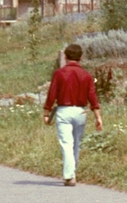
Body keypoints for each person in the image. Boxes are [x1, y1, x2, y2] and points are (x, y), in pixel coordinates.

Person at [43, 43, 102, 186]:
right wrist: (98, 116)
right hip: (80, 111)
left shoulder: (59, 73)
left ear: (65, 56)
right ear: (81, 57)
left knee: (66, 143)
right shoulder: (87, 75)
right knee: (76, 143)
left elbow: (52, 94)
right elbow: (92, 96)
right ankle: (72, 172)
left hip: (64, 111)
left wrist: (46, 112)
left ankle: (69, 176)